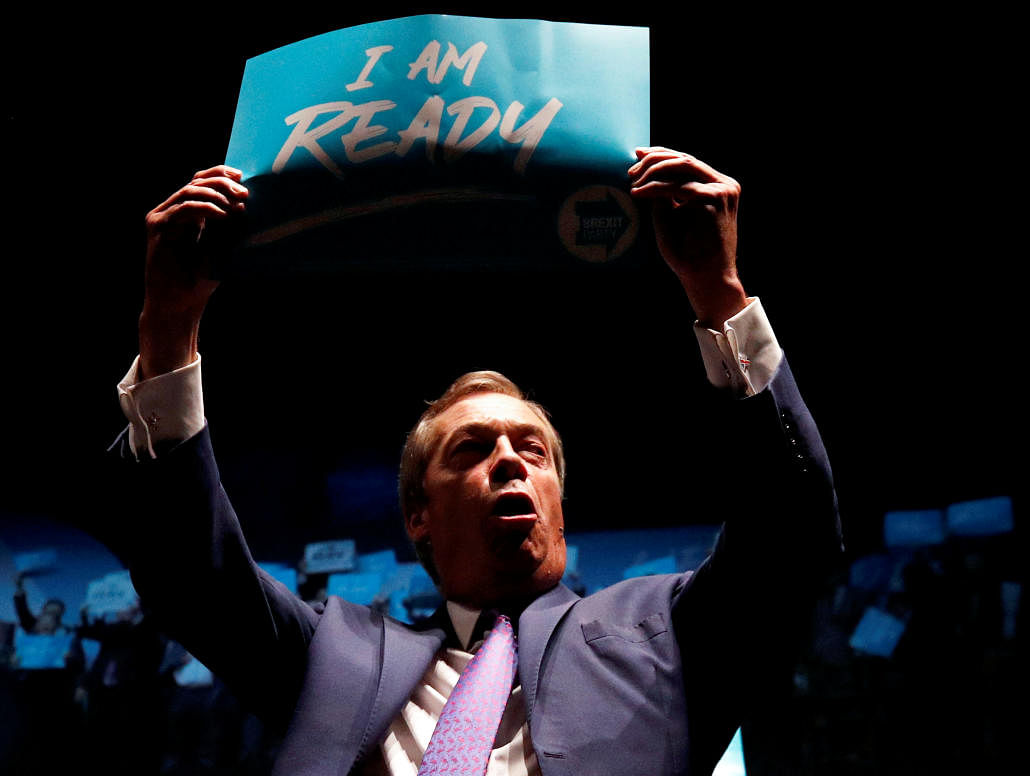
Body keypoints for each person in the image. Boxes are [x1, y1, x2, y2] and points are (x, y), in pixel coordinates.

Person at [103, 147, 843, 775]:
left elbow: (793, 534)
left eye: (532, 449)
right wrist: (168, 329)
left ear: (558, 498)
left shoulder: (669, 629)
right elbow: (189, 573)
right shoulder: (329, 652)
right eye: (472, 448)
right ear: (418, 515)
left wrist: (719, 295)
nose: (510, 461)